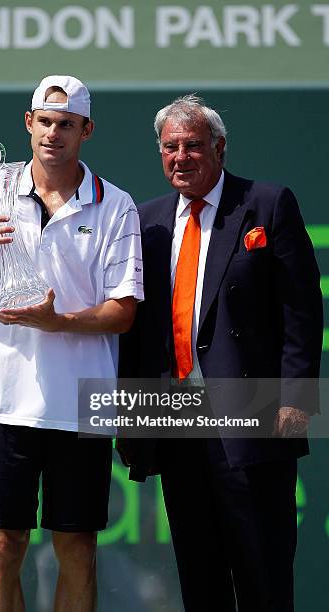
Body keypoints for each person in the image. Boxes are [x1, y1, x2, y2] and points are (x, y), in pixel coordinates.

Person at [0, 74, 143, 612]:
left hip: (82, 407)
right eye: (45, 122)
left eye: (66, 125)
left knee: (77, 547)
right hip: (4, 404)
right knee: (3, 545)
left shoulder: (116, 205)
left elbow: (123, 313)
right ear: (29, 124)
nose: (54, 133)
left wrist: (57, 322)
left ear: (86, 131)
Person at [118, 94, 323, 612]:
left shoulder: (267, 204)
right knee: (199, 574)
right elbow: (136, 334)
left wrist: (296, 397)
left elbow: (302, 310)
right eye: (170, 148)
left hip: (254, 415)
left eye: (192, 146)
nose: (180, 157)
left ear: (220, 148)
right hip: (177, 420)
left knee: (263, 574)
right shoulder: (149, 221)